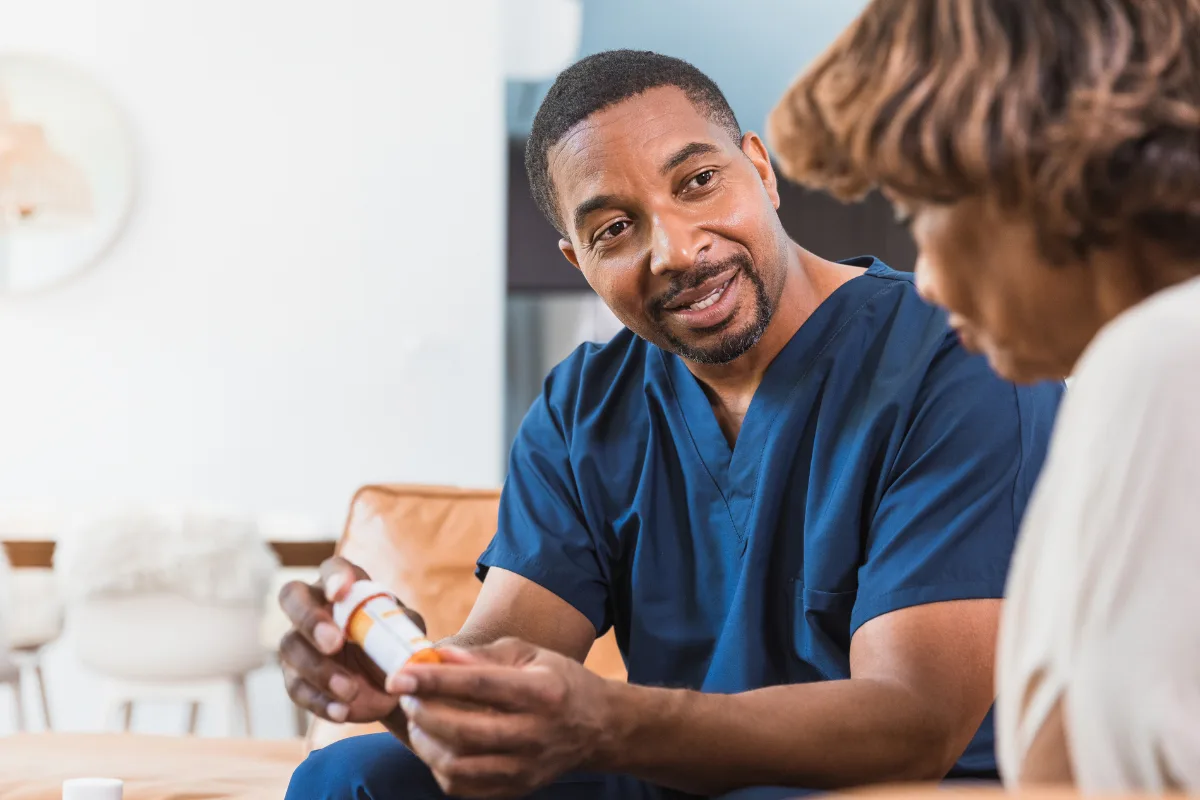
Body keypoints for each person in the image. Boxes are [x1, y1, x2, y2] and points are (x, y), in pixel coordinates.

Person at [281, 50, 1062, 800]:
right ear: (576, 259)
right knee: (348, 781)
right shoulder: (585, 407)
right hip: (676, 773)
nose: (677, 251)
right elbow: (500, 676)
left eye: (697, 181)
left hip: (884, 789)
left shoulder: (958, 355)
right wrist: (405, 681)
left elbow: (913, 724)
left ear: (761, 168)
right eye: (614, 229)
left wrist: (608, 719)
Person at [766, 0, 1200, 793]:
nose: (924, 276)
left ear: (1030, 169)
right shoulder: (1120, 374)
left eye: (919, 211)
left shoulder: (1164, 358)